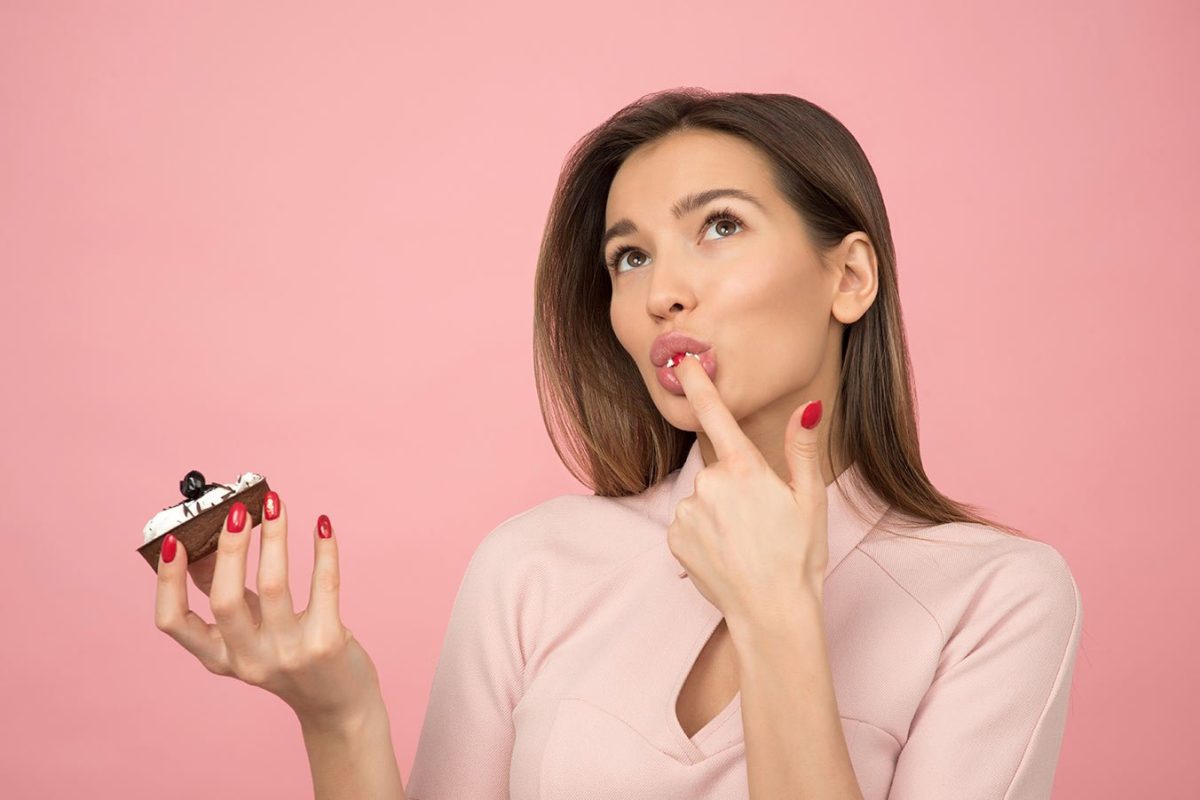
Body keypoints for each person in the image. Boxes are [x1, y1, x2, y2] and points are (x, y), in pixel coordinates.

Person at [154, 89, 1083, 800]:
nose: (661, 293)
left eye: (719, 227)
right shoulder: (536, 565)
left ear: (848, 276)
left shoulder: (997, 598)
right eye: (628, 256)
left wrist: (779, 617)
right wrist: (340, 711)